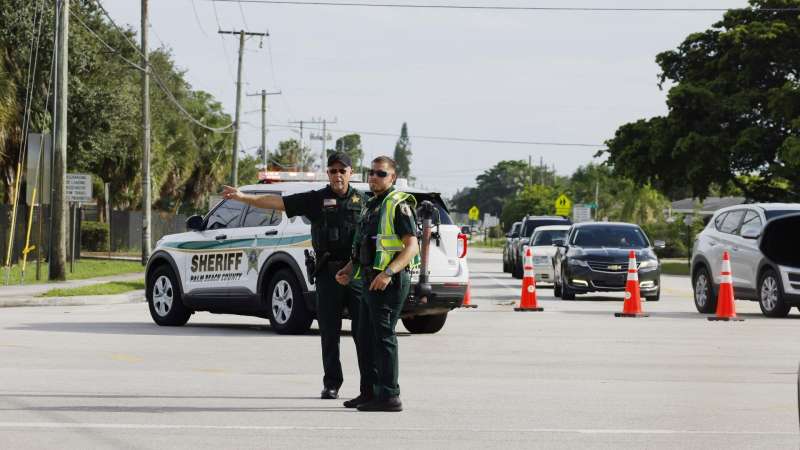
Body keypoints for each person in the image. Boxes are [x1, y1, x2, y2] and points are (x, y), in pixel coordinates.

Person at [221, 152, 374, 402]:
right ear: (328, 173)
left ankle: (368, 386)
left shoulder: (364, 201)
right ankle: (332, 383)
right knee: (329, 332)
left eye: (342, 171)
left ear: (351, 173)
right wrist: (244, 197)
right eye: (333, 170)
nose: (337, 175)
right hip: (328, 273)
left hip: (356, 273)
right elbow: (278, 202)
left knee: (363, 333)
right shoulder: (317, 199)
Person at [335, 156, 419, 412]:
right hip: (370, 279)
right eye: (371, 173)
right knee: (366, 336)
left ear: (392, 177)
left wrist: (388, 273)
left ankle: (390, 395)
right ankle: (370, 391)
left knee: (383, 337)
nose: (374, 177)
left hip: (389, 282)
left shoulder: (397, 204)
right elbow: (365, 245)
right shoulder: (372, 205)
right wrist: (349, 269)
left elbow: (411, 247)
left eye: (381, 174)